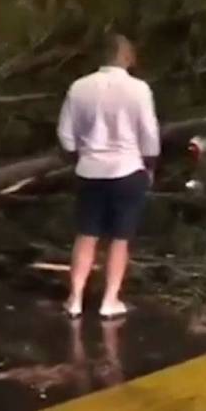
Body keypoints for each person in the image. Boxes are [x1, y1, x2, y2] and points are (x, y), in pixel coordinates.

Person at [57, 33, 160, 318]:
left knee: (86, 235)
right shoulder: (139, 90)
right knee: (120, 238)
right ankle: (109, 300)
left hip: (89, 170)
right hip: (127, 170)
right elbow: (149, 134)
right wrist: (150, 166)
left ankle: (74, 298)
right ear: (128, 57)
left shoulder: (79, 87)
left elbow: (65, 135)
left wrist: (78, 155)